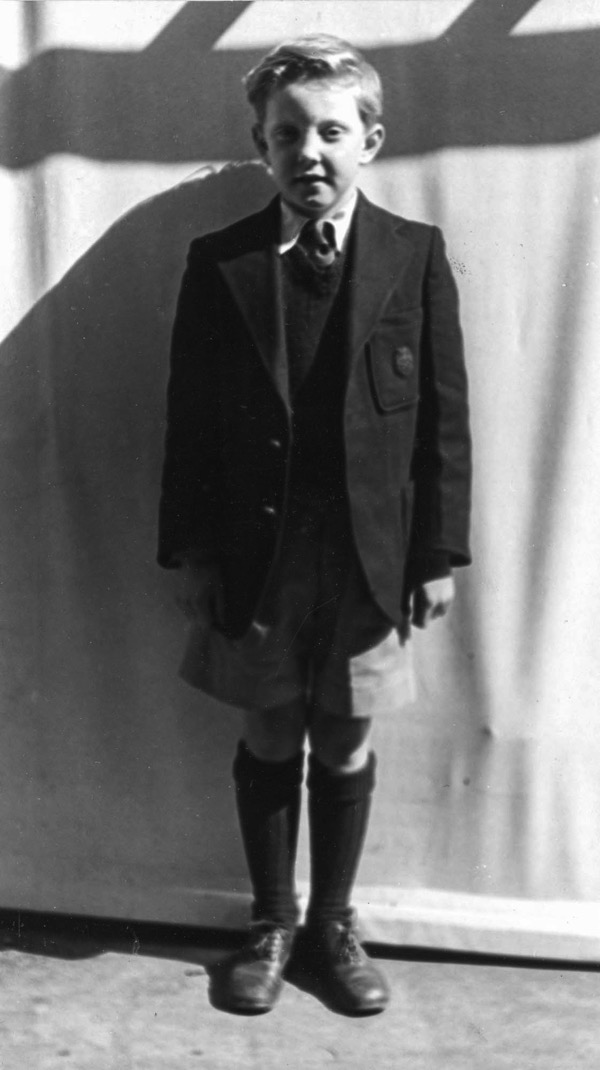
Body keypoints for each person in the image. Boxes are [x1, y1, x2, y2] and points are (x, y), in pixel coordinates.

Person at [158, 34, 471, 1016]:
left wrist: (436, 551)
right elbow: (189, 420)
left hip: (372, 557)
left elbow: (444, 419)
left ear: (369, 140)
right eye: (287, 133)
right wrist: (194, 551)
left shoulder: (414, 255)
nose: (310, 152)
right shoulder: (222, 263)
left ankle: (333, 924)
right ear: (260, 145)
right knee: (268, 728)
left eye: (332, 131)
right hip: (259, 555)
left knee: (342, 735)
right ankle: (271, 923)